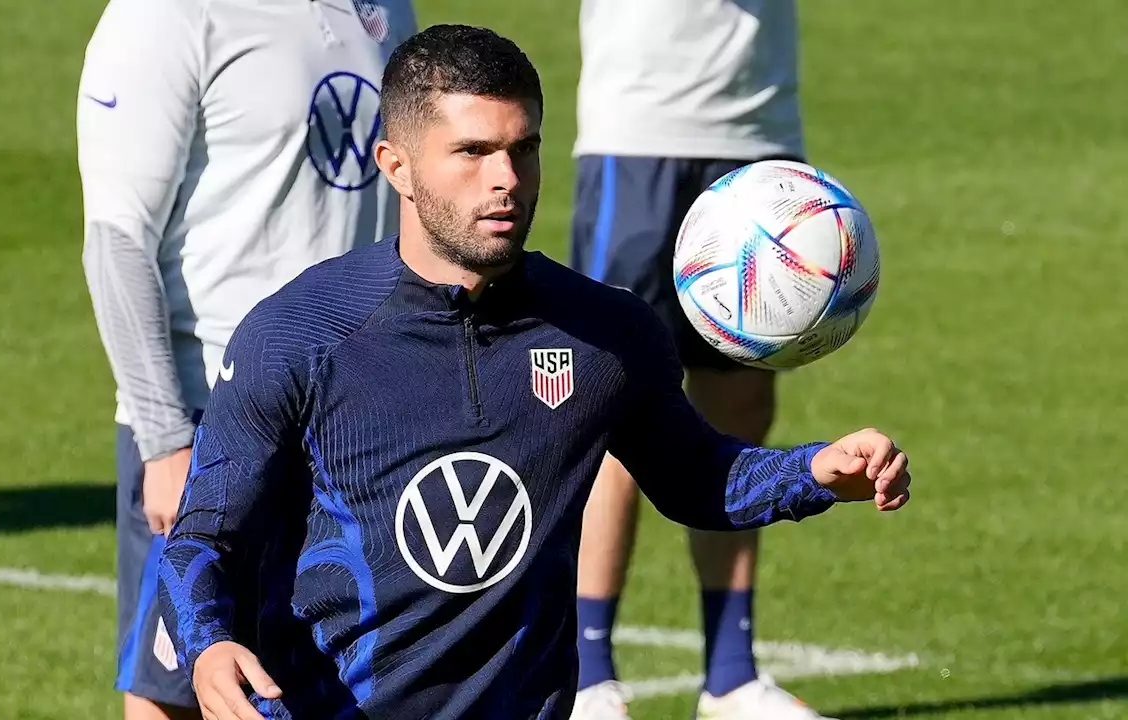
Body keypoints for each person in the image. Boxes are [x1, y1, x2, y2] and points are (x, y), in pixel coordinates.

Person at [156, 24, 910, 720]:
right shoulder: (299, 335)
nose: (506, 179)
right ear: (396, 165)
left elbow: (694, 476)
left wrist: (815, 472)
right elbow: (204, 537)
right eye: (473, 152)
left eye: (524, 148)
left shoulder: (605, 336)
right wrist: (209, 647)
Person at [75, 0, 416, 716]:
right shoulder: (165, 15)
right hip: (215, 419)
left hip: (352, 417)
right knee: (179, 693)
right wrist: (165, 440)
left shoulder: (384, 6)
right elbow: (116, 241)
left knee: (337, 688)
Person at [567, 1, 822, 717]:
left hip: (760, 122)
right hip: (640, 122)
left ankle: (732, 673)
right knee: (609, 399)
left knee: (741, 400)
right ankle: (588, 678)